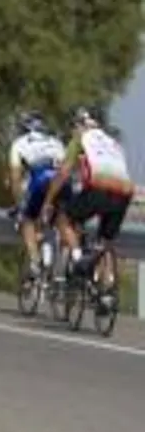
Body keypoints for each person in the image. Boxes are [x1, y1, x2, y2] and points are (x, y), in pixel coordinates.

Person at [41, 106, 135, 309]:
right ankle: (106, 291)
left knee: (63, 218)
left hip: (99, 187)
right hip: (125, 192)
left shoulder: (80, 138)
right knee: (104, 242)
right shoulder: (113, 143)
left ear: (80, 124)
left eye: (74, 126)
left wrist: (48, 201)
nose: (73, 130)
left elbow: (64, 173)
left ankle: (78, 261)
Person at [5, 111, 66, 281]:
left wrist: (18, 205)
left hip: (41, 182)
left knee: (27, 220)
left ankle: (34, 262)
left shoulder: (19, 144)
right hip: (63, 184)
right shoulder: (56, 142)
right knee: (54, 220)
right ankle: (58, 266)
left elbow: (15, 178)